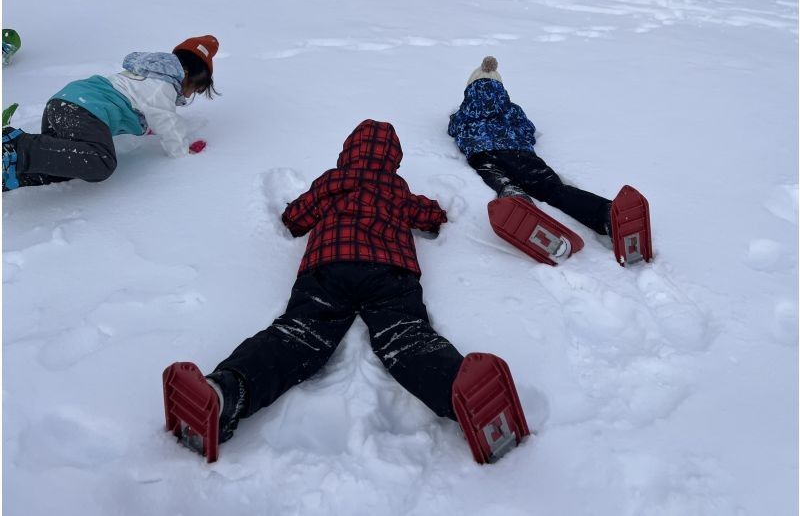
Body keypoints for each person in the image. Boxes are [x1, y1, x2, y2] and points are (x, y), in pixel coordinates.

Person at [166, 119, 468, 449]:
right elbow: (431, 216)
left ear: (347, 151)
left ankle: (225, 391)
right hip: (390, 271)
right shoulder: (397, 188)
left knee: (298, 334)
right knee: (406, 334)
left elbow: (295, 219)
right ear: (393, 160)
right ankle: (463, 394)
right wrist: (433, 212)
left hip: (328, 268)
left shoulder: (331, 181)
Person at [2, 35, 219, 192]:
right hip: (83, 108)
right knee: (100, 162)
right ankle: (12, 147)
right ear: (186, 75)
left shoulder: (145, 76)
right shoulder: (162, 86)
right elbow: (166, 120)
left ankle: (14, 173)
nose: (188, 95)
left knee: (69, 164)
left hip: (65, 105)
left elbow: (141, 107)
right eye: (194, 89)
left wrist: (146, 127)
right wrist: (182, 152)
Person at [448, 56, 613, 236]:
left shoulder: (464, 112)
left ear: (470, 87)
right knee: (552, 188)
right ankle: (604, 213)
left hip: (483, 154)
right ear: (500, 87)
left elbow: (454, 129)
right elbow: (528, 130)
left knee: (497, 178)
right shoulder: (511, 109)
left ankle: (514, 196)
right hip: (519, 153)